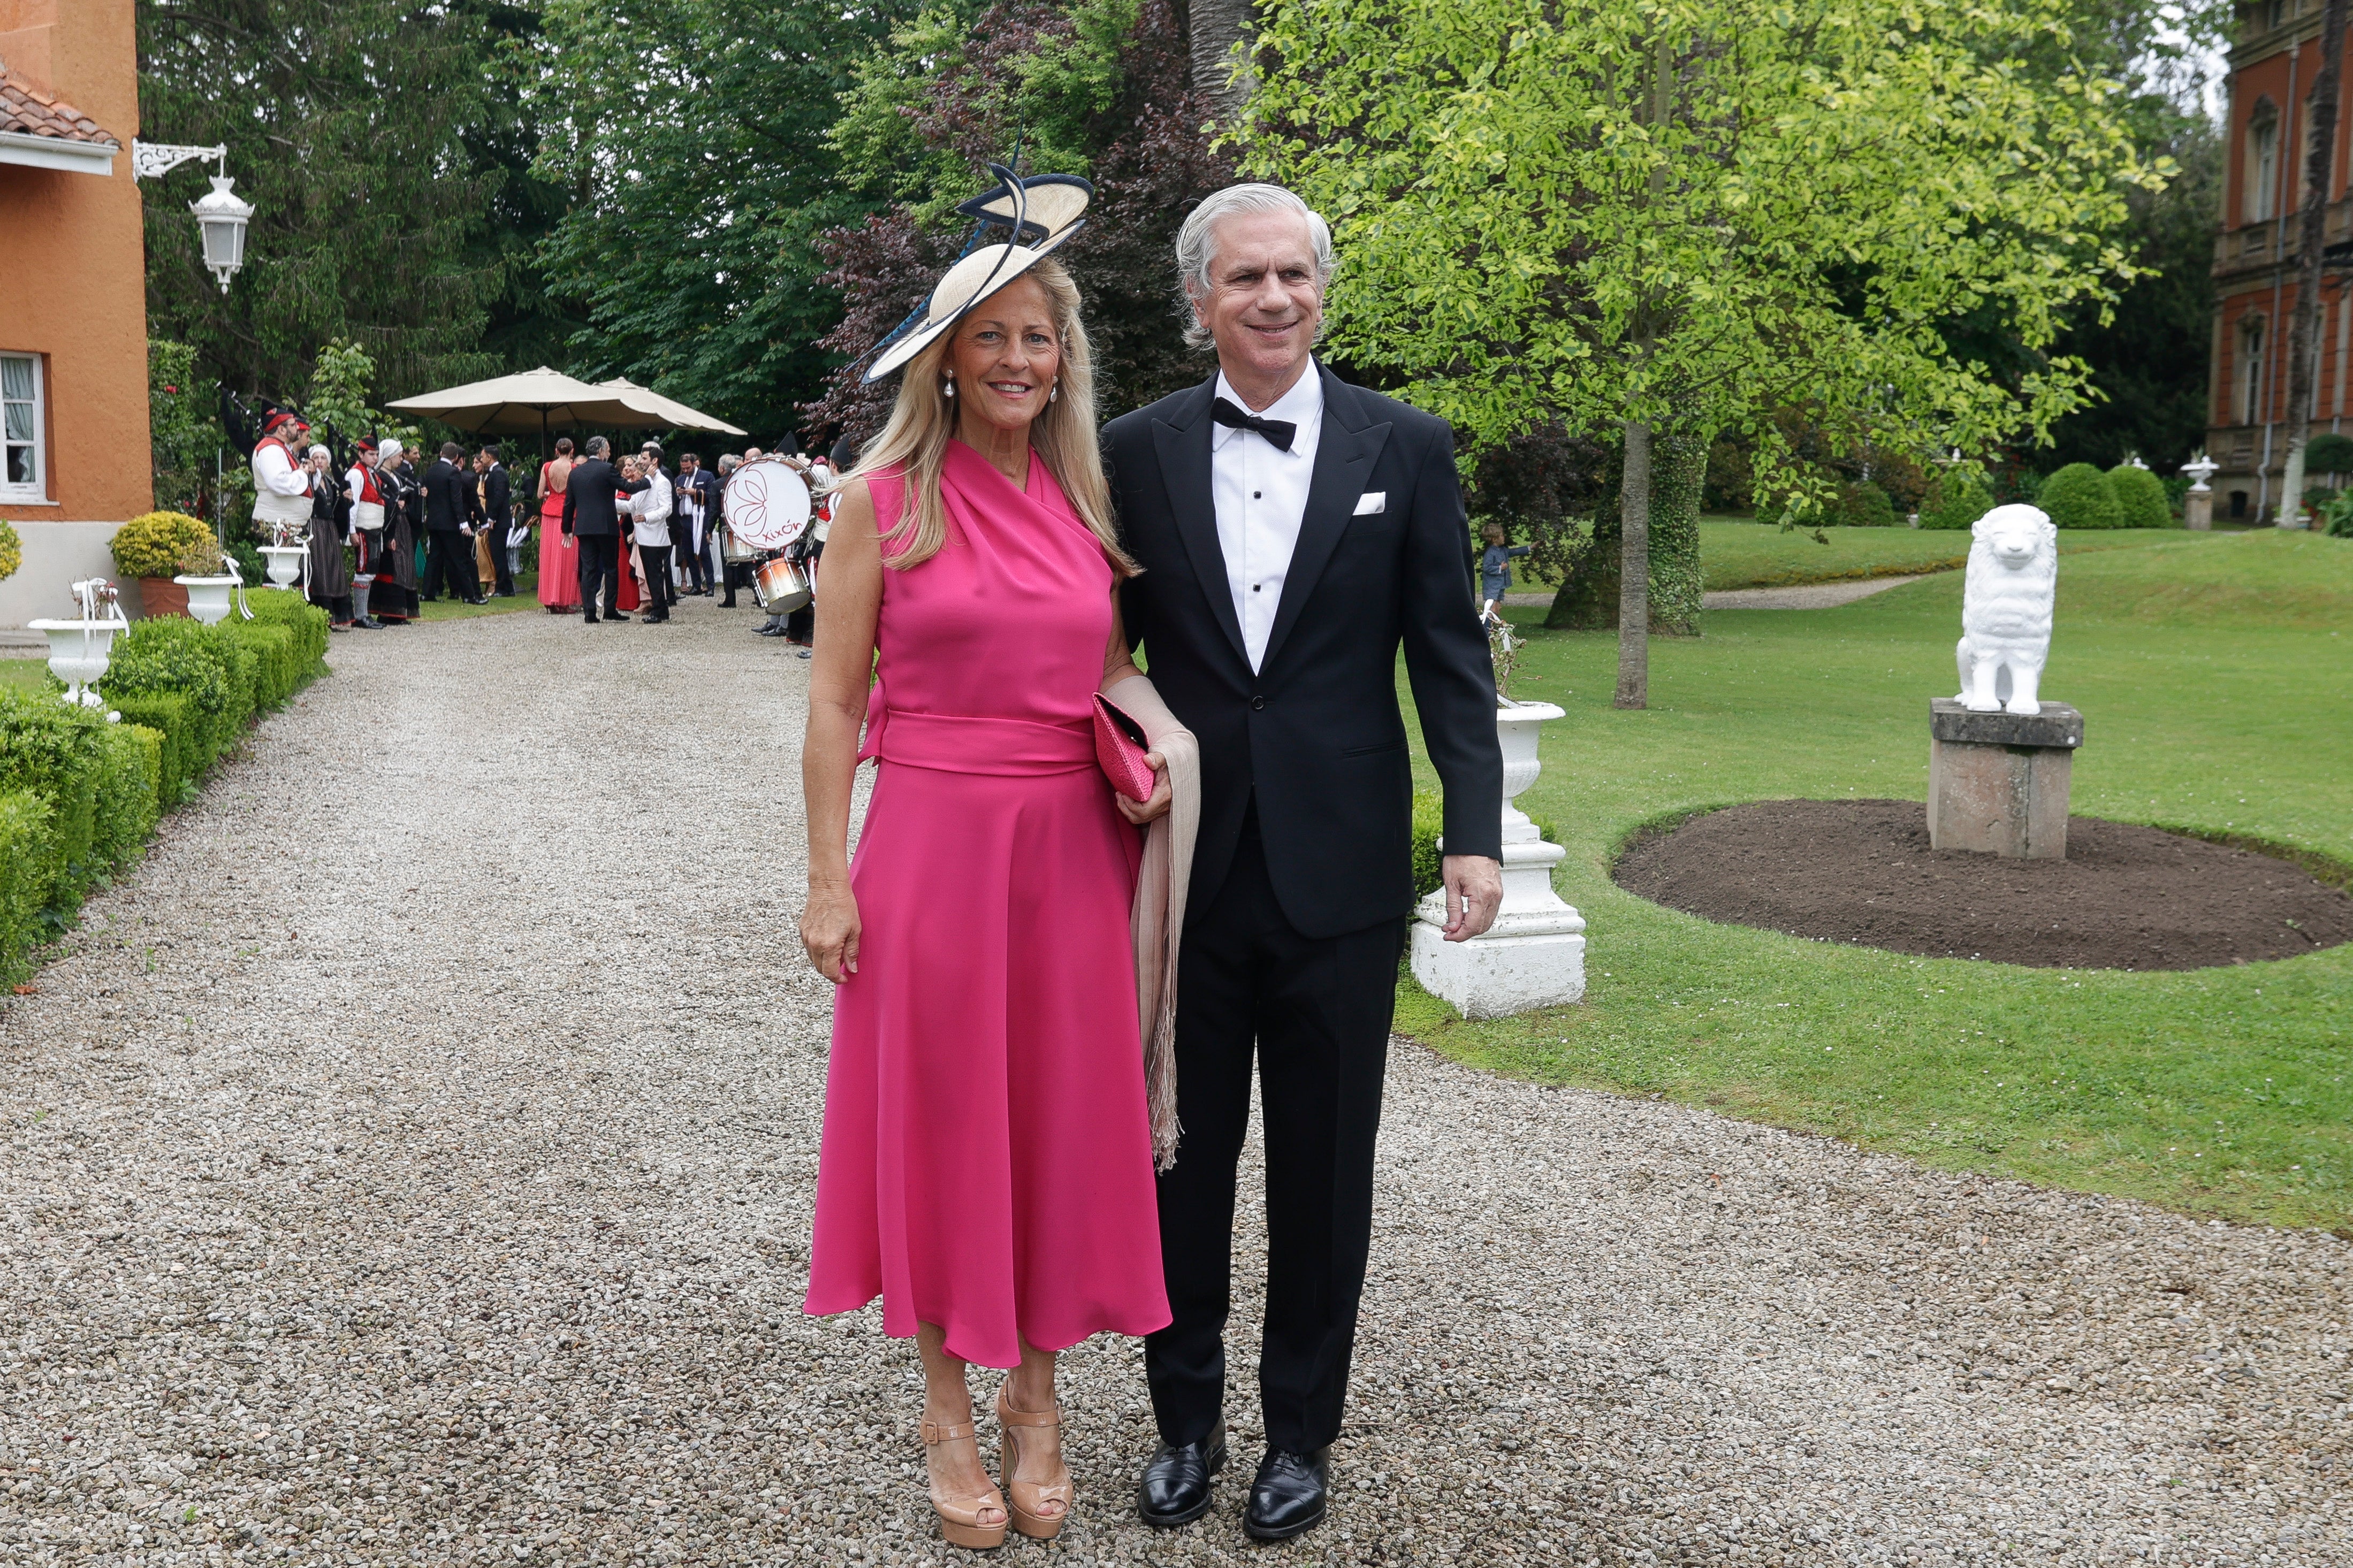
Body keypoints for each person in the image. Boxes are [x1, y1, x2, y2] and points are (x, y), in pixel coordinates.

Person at [1104, 183, 1504, 1542]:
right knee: (1182, 1163)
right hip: (1187, 870)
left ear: (1322, 292)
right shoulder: (1134, 450)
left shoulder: (1409, 443)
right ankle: (1185, 1421)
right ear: (1199, 300)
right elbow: (1085, 651)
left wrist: (1474, 829)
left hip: (1340, 873)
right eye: (1246, 279)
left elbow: (1450, 656)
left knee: (1326, 1168)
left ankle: (1299, 1435)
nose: (1275, 298)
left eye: (1296, 275)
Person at [799, 178, 1182, 1552]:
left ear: (1062, 357)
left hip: (1073, 853)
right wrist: (827, 874)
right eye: (993, 337)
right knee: (948, 1120)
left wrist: (1149, 753)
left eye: (1041, 337)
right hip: (933, 849)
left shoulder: (1087, 500)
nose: (1020, 359)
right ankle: (949, 1409)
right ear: (945, 358)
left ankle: (1041, 1401)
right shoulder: (881, 498)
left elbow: (1104, 668)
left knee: (1057, 1126)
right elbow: (837, 701)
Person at [561, 435, 649, 623]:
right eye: (608, 450)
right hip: (606, 526)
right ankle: (609, 609)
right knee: (611, 568)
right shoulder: (607, 469)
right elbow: (628, 487)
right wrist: (647, 481)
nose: (609, 453)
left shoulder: (575, 473)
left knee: (588, 570)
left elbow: (569, 504)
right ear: (601, 452)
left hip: (584, 527)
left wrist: (566, 529)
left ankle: (589, 612)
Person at [423, 441, 488, 606]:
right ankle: (468, 595)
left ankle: (427, 593)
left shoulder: (431, 471)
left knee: (434, 558)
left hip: (433, 521)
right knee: (459, 559)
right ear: (456, 457)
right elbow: (456, 500)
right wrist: (463, 523)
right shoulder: (453, 473)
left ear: (441, 454)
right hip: (450, 524)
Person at [303, 443, 353, 630]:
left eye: (323, 458)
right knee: (319, 571)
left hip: (329, 530)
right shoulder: (310, 481)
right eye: (316, 458)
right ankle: (320, 617)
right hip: (315, 529)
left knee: (333, 571)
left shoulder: (331, 482)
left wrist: (345, 500)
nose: (319, 461)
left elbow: (336, 508)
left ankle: (334, 617)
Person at [373, 439, 422, 624]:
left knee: (404, 565)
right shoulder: (380, 476)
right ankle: (389, 612)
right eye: (399, 455)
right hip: (392, 524)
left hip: (402, 524)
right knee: (394, 566)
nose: (401, 459)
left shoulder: (394, 475)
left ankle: (401, 612)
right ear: (390, 456)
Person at [628, 448, 677, 624]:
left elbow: (667, 509)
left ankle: (658, 610)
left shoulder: (662, 482)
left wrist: (647, 517)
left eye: (644, 458)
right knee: (651, 575)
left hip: (655, 537)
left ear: (654, 461)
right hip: (644, 536)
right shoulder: (645, 481)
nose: (641, 461)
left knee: (655, 575)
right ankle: (661, 609)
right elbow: (632, 504)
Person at [345, 439, 389, 630]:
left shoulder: (372, 474)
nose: (375, 458)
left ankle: (365, 613)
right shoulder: (356, 474)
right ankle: (360, 615)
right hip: (362, 528)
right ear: (360, 455)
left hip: (373, 528)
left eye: (377, 454)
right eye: (371, 454)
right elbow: (352, 505)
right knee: (362, 571)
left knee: (370, 571)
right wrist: (352, 530)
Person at [538, 438, 581, 614]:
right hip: (568, 514)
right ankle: (563, 600)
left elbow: (540, 493)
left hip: (549, 513)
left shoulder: (547, 467)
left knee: (549, 556)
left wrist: (553, 494)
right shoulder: (574, 469)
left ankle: (550, 598)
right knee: (567, 557)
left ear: (556, 450)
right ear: (572, 451)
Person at [674, 452, 719, 595]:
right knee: (688, 552)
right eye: (684, 468)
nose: (686, 471)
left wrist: (696, 493)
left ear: (695, 464)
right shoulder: (680, 478)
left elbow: (713, 497)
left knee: (704, 552)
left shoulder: (706, 476)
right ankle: (696, 585)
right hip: (685, 519)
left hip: (700, 518)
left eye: (688, 468)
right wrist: (677, 493)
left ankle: (711, 586)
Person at [478, 446, 518, 597]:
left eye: (483, 456)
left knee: (498, 554)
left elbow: (499, 497)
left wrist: (492, 518)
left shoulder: (499, 473)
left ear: (489, 457)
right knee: (497, 554)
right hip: (498, 520)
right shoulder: (494, 473)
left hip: (500, 521)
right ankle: (507, 587)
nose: (481, 460)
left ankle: (503, 587)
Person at [1479, 522, 1531, 620]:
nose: (1504, 537)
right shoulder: (1490, 553)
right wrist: (1500, 568)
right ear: (1494, 539)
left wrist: (1530, 548)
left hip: (1500, 586)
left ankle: (1492, 630)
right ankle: (1486, 628)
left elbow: (1514, 552)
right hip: (1492, 587)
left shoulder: (1503, 550)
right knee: (1491, 610)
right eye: (1502, 535)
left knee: (1497, 609)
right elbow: (1487, 568)